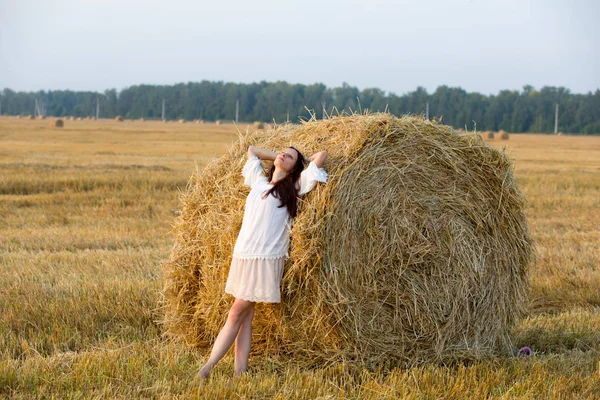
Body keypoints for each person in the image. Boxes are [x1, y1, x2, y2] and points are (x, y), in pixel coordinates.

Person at [196, 145, 328, 379]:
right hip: (244, 255)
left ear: (295, 169)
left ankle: (207, 368)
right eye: (283, 152)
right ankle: (240, 373)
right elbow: (251, 150)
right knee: (245, 317)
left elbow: (322, 157)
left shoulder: (295, 187)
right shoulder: (258, 183)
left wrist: (303, 159)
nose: (284, 155)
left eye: (290, 157)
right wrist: (281, 155)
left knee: (236, 312)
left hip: (266, 259)